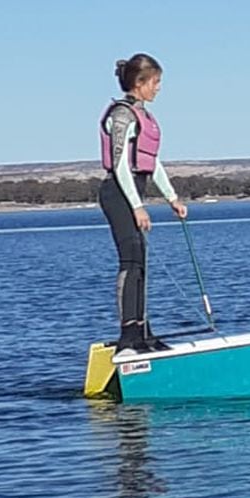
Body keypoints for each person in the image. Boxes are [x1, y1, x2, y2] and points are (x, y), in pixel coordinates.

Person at [99, 53, 187, 355]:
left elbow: (152, 163)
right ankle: (128, 337)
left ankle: (143, 333)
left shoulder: (145, 117)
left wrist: (172, 198)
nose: (158, 88)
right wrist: (137, 206)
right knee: (131, 260)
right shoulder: (121, 115)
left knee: (142, 263)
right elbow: (122, 165)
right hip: (118, 193)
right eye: (156, 82)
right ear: (139, 83)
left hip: (134, 190)